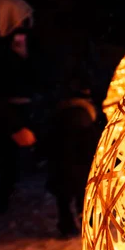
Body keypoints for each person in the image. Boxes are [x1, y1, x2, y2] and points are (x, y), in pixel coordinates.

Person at [0, 0, 37, 214]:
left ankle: (3, 198)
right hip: (7, 112)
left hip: (14, 106)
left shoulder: (7, 42)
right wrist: (14, 125)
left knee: (9, 160)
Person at [43, 68, 101, 237]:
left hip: (61, 163)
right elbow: (90, 141)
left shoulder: (61, 113)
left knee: (64, 195)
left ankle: (67, 224)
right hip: (78, 164)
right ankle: (85, 223)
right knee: (81, 194)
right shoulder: (83, 115)